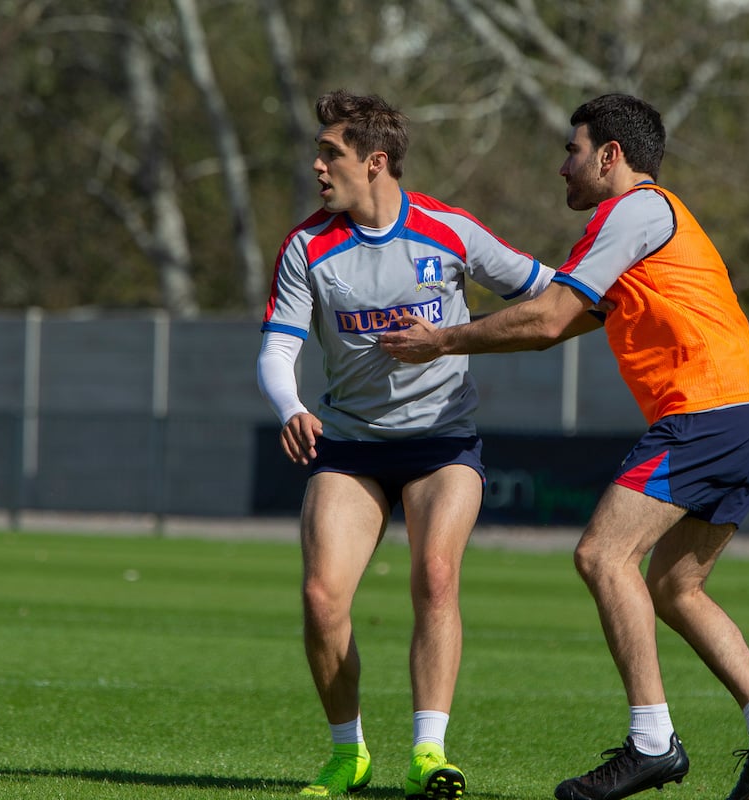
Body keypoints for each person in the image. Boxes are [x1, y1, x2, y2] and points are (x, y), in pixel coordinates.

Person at [379, 93, 749, 800]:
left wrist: (442, 340)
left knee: (601, 554)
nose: (561, 167)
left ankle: (653, 742)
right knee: (675, 585)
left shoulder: (632, 210)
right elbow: (574, 317)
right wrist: (466, 330)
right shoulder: (647, 224)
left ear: (611, 156)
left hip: (709, 407)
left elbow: (549, 319)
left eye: (572, 150)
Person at [257, 89, 559, 800]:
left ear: (376, 161)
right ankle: (348, 754)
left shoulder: (449, 231)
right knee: (322, 595)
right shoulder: (307, 246)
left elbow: (550, 294)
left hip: (442, 444)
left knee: (435, 576)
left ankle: (429, 751)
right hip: (352, 447)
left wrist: (622, 296)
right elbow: (277, 349)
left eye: (331, 153)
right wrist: (292, 405)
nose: (318, 165)